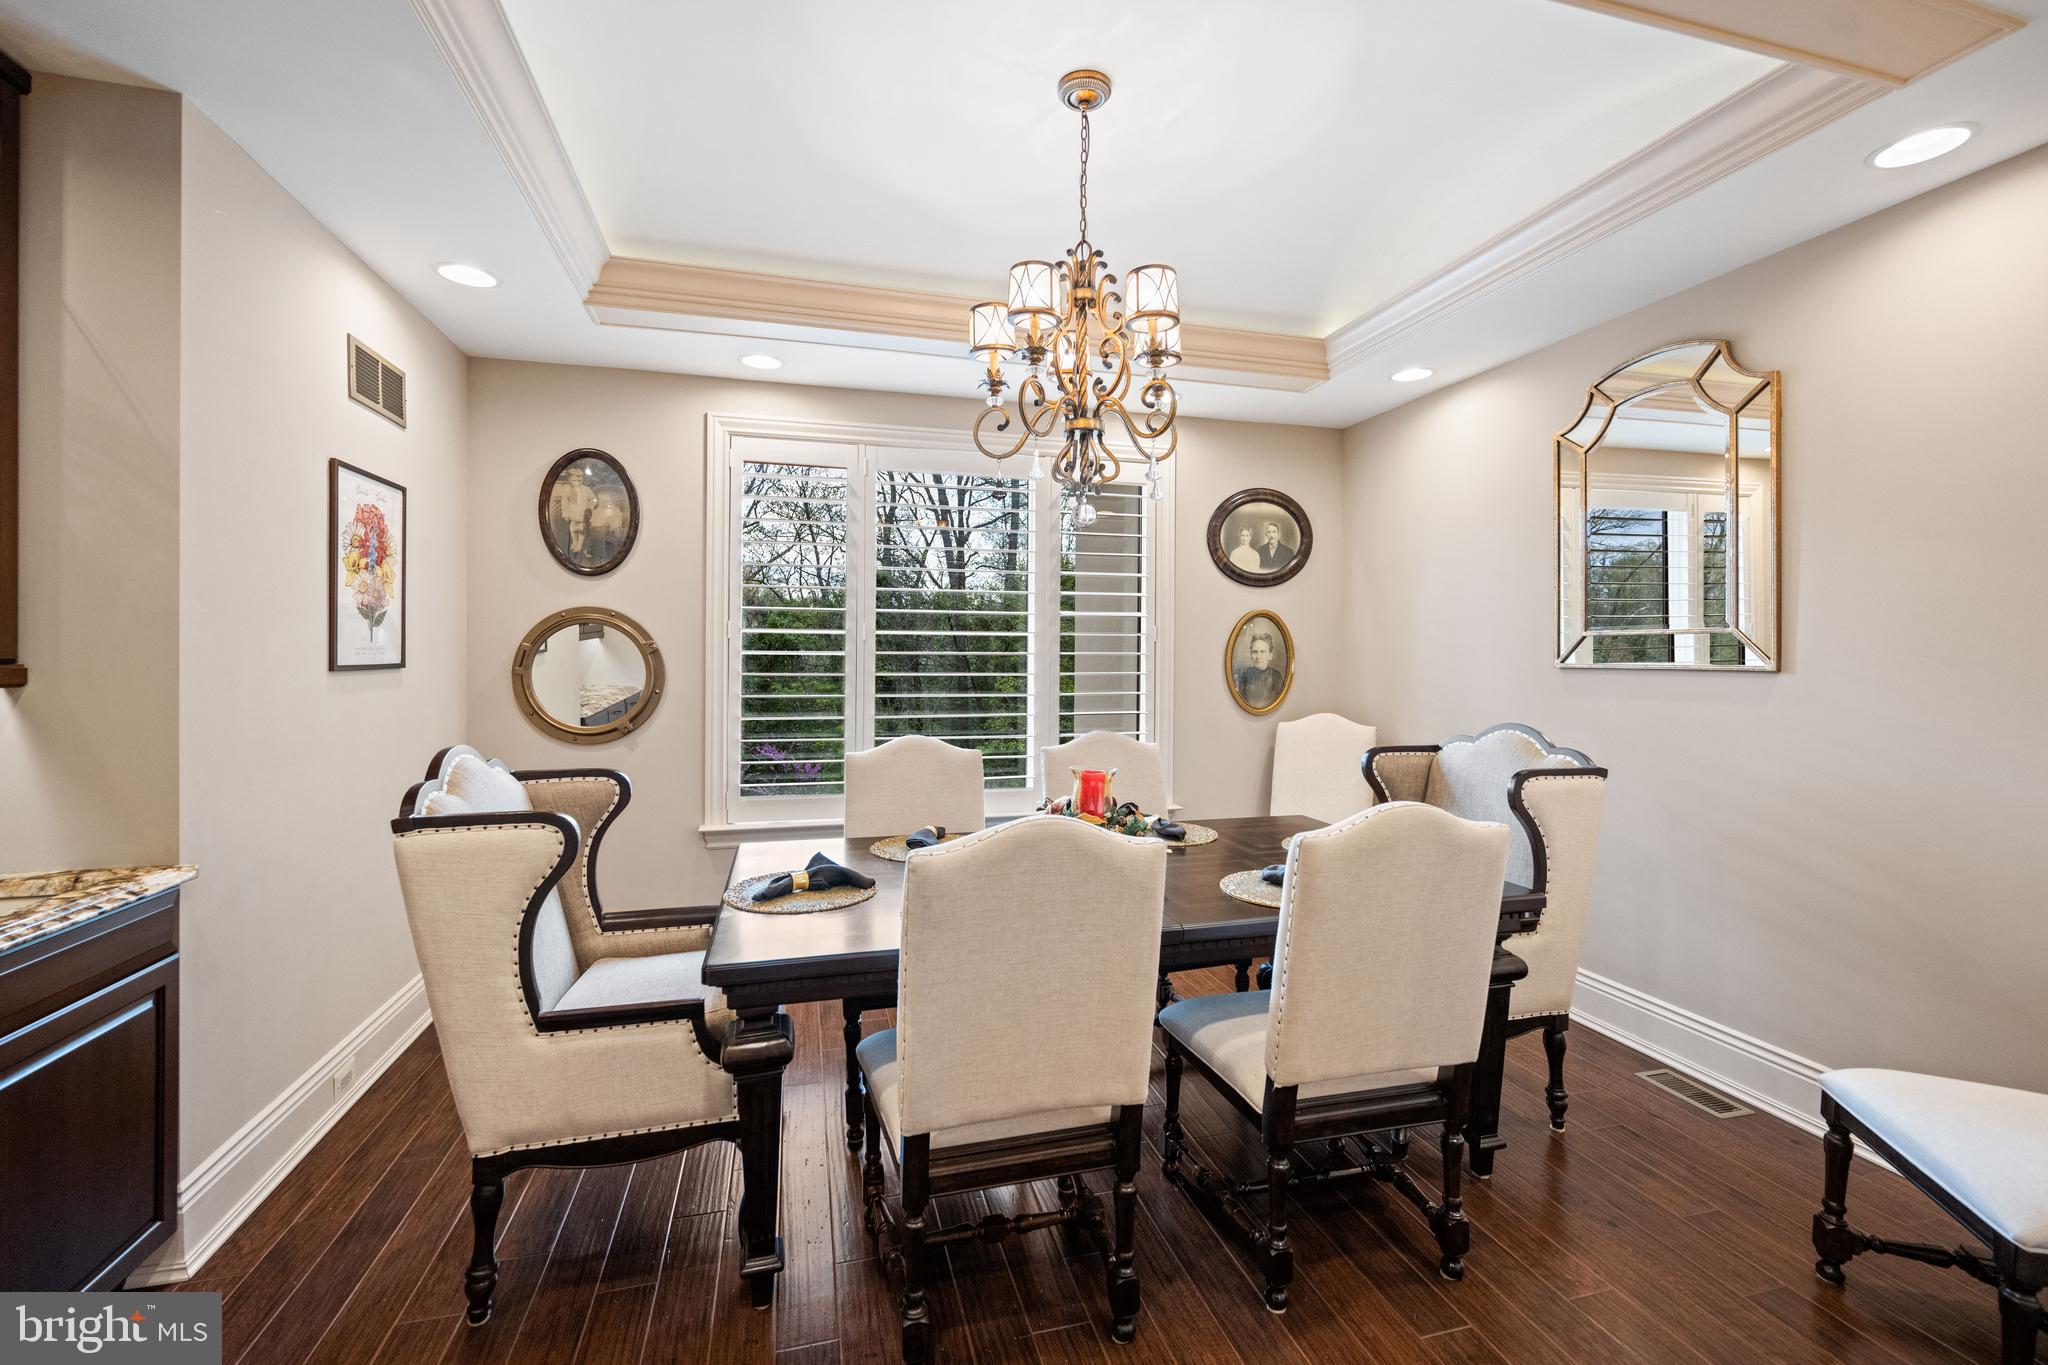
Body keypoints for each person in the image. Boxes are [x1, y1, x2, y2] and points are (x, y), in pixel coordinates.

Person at [1236, 630, 1284, 709]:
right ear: (1251, 655)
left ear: (1270, 655)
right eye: (1255, 652)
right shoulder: (1244, 676)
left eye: (1262, 652)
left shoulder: (1276, 677)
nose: (1258, 656)